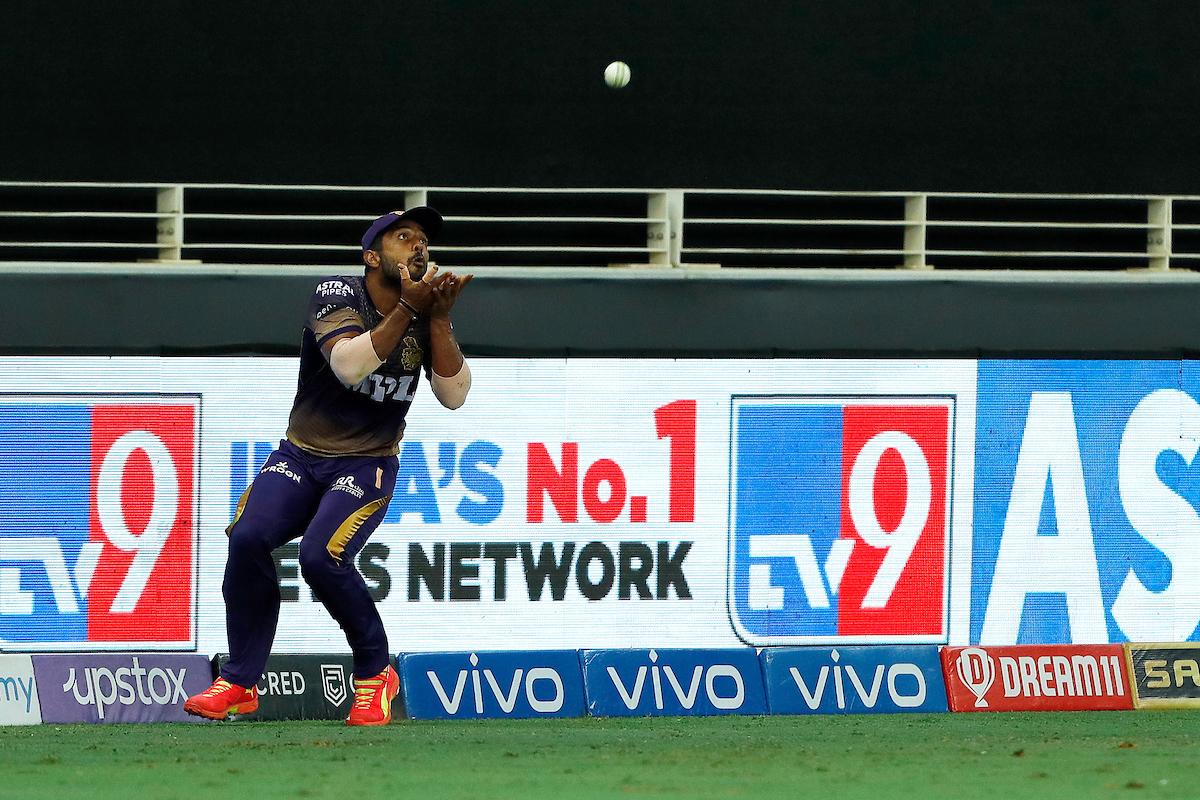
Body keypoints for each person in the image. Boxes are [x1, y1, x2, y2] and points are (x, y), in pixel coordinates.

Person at [184, 207, 473, 726]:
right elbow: (348, 365)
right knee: (246, 536)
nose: (417, 245)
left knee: (321, 557)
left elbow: (454, 396)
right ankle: (242, 681)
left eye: (423, 239)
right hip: (301, 454)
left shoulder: (426, 312)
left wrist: (441, 319)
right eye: (403, 237)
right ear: (370, 255)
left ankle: (374, 673)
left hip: (367, 465)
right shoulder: (337, 293)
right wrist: (410, 307)